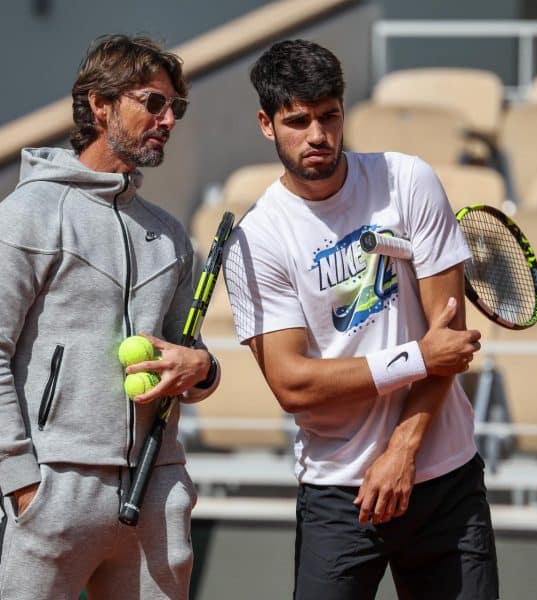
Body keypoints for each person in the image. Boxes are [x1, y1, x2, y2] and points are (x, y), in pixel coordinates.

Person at [223, 39, 499, 599]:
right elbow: (293, 384)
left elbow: (448, 340)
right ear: (266, 124)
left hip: (444, 478)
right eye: (297, 121)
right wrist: (416, 357)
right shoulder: (258, 239)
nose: (318, 135)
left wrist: (402, 451)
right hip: (338, 494)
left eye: (329, 115)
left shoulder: (408, 181)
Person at [0, 34, 220, 599]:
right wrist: (22, 484)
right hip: (53, 490)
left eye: (177, 108)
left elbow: (184, 356)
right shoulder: (28, 214)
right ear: (100, 104)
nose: (168, 119)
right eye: (153, 102)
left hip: (156, 491)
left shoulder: (170, 234)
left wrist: (202, 367)